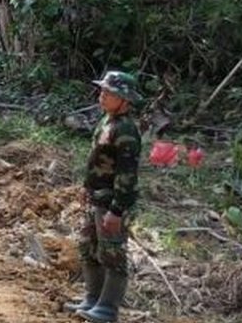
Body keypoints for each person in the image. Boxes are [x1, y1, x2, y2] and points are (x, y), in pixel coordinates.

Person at [66, 70, 143, 322]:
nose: (102, 96)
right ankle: (92, 298)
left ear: (124, 99)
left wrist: (117, 210)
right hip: (96, 197)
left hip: (111, 201)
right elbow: (96, 161)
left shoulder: (126, 130)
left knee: (113, 254)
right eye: (102, 91)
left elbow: (126, 174)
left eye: (109, 93)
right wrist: (86, 188)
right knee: (88, 247)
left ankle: (108, 308)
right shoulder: (107, 121)